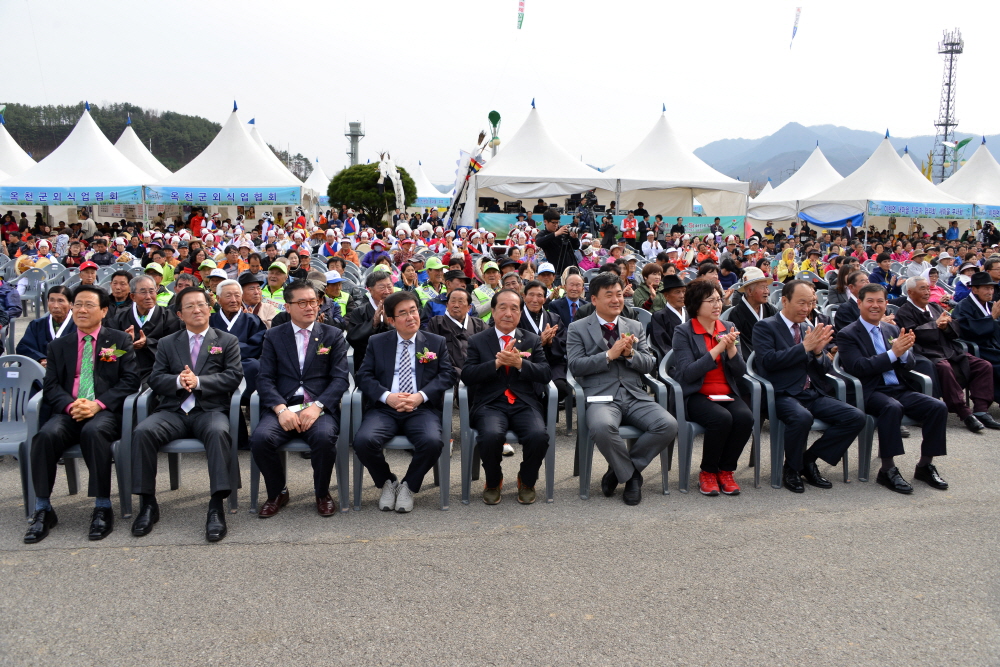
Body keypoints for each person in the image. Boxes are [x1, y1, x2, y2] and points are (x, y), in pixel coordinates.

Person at [24, 285, 140, 544]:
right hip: (69, 410)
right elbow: (51, 385)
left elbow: (130, 380)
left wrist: (98, 404)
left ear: (103, 310)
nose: (82, 310)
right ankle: (43, 508)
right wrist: (69, 405)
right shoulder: (58, 346)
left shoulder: (118, 341)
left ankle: (102, 506)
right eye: (77, 304)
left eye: (88, 305)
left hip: (103, 411)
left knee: (94, 432)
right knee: (44, 436)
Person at [130, 287, 244, 542]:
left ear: (209, 308)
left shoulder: (226, 341)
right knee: (143, 431)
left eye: (201, 304)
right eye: (190, 306)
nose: (197, 310)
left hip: (210, 410)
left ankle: (216, 506)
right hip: (173, 411)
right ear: (180, 314)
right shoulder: (168, 342)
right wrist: (179, 382)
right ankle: (147, 503)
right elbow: (155, 378)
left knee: (218, 433)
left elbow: (234, 376)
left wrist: (199, 381)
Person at [566, 272, 678, 506]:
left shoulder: (634, 325)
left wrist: (629, 354)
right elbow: (575, 366)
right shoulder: (577, 328)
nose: (616, 299)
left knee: (667, 425)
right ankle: (633, 479)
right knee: (602, 427)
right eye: (609, 295)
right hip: (600, 396)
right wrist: (609, 355)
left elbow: (649, 363)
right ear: (594, 299)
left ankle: (619, 472)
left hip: (634, 394)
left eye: (619, 294)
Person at [752, 280, 867, 493]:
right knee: (801, 417)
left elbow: (822, 368)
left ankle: (807, 460)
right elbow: (768, 361)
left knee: (855, 417)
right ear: (784, 300)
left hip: (810, 392)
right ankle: (793, 470)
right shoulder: (765, 326)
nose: (807, 309)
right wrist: (804, 347)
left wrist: (816, 353)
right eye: (801, 303)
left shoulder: (808, 327)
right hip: (781, 394)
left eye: (811, 303)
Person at [250, 280, 351, 518]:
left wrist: (317, 406)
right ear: (287, 307)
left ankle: (322, 492)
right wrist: (280, 409)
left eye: (314, 301)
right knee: (261, 439)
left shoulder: (332, 335)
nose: (310, 307)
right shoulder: (274, 336)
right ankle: (278, 492)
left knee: (324, 438)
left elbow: (340, 379)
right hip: (284, 405)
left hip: (319, 408)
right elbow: (264, 378)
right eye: (302, 302)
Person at [837, 284, 951, 494]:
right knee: (892, 407)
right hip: (869, 391)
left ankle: (925, 465)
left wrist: (905, 352)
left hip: (898, 388)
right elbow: (858, 367)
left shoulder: (890, 328)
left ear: (886, 304)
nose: (875, 305)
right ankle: (887, 469)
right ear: (860, 303)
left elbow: (909, 364)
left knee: (937, 407)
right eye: (870, 301)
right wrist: (893, 354)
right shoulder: (848, 334)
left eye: (880, 301)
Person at [353, 291, 453, 513]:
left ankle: (408, 485)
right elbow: (363, 376)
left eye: (414, 311)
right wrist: (387, 396)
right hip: (385, 409)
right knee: (363, 441)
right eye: (403, 313)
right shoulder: (377, 342)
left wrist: (420, 396)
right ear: (391, 320)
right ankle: (388, 482)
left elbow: (447, 375)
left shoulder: (435, 342)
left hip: (421, 408)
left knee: (432, 441)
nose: (411, 317)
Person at [462, 289, 552, 504]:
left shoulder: (531, 339)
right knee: (491, 435)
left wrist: (520, 364)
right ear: (493, 311)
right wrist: (496, 364)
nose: (508, 313)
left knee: (538, 435)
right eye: (502, 307)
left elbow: (545, 372)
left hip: (524, 402)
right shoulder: (478, 340)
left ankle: (527, 480)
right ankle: (493, 481)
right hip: (490, 403)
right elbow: (467, 375)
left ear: (520, 314)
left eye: (514, 309)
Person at [668, 279, 753, 496]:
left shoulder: (729, 328)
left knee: (745, 418)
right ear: (696, 304)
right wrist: (717, 349)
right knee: (721, 418)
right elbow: (688, 373)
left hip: (725, 392)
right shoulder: (683, 331)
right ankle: (707, 472)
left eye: (719, 300)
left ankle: (726, 470)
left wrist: (732, 350)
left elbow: (741, 372)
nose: (718, 305)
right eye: (711, 301)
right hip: (697, 393)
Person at [895, 276, 999, 431]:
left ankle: (981, 409)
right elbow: (912, 335)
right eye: (922, 288)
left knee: (983, 365)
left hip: (948, 349)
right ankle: (963, 412)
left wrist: (947, 327)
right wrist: (935, 325)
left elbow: (956, 329)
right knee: (944, 367)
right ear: (910, 292)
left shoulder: (935, 308)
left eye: (928, 288)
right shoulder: (904, 312)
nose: (927, 292)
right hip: (926, 352)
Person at [112, 275, 183, 384]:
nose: (148, 296)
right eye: (143, 292)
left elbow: (175, 348)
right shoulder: (120, 318)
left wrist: (148, 343)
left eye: (152, 291)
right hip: (125, 372)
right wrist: (125, 342)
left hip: (157, 372)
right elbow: (110, 348)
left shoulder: (169, 317)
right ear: (132, 296)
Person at [953, 271, 1000, 397]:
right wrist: (992, 317)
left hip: (993, 346)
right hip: (977, 348)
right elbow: (970, 331)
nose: (990, 292)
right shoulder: (963, 306)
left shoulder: (990, 305)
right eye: (986, 288)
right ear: (974, 289)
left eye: (991, 288)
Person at [428, 287, 488, 384]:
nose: (456, 305)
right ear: (447, 305)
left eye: (461, 302)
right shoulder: (436, 323)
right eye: (453, 301)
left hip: (477, 376)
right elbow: (433, 353)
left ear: (469, 307)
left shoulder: (479, 325)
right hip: (448, 377)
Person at [521, 280, 569, 401]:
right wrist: (539, 342)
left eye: (539, 295)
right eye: (531, 295)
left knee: (561, 388)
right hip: (526, 365)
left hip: (551, 364)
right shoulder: (517, 318)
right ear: (524, 296)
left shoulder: (554, 318)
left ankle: (549, 418)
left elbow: (564, 343)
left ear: (545, 298)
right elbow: (515, 344)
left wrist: (551, 342)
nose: (535, 299)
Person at [346, 270, 394, 372]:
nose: (387, 291)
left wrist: (387, 324)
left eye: (389, 286)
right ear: (370, 290)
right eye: (382, 287)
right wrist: (373, 323)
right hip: (367, 364)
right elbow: (353, 338)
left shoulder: (398, 309)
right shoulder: (359, 312)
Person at [16, 286, 77, 365]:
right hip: (41, 369)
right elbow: (24, 347)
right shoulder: (37, 325)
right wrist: (41, 359)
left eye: (60, 301)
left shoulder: (79, 325)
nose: (55, 306)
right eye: (51, 300)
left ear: (71, 304)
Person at [725, 267, 774, 360]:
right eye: (762, 287)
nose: (767, 292)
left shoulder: (769, 309)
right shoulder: (736, 314)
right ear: (750, 291)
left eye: (767, 287)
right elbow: (740, 347)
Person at [646, 274, 687, 358]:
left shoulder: (689, 313)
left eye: (684, 291)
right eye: (677, 292)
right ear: (666, 295)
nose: (682, 295)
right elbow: (662, 345)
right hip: (673, 361)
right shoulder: (659, 316)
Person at [536, 209, 581, 279]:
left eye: (557, 222)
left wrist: (574, 238)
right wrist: (556, 234)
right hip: (557, 270)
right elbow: (539, 242)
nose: (556, 225)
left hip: (571, 268)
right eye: (553, 222)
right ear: (545, 222)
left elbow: (576, 246)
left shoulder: (563, 231)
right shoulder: (543, 234)